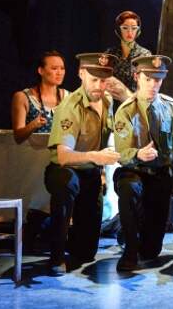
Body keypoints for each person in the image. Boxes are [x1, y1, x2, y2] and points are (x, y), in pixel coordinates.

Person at [44, 53, 121, 275]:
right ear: (81, 74)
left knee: (86, 252)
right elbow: (64, 156)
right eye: (94, 79)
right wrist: (96, 157)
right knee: (66, 184)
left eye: (104, 80)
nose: (99, 86)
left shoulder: (107, 101)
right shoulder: (70, 106)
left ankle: (50, 230)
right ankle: (56, 255)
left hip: (90, 172)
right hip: (65, 170)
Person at [112, 55, 173, 271]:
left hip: (159, 173)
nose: (152, 85)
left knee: (151, 251)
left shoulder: (170, 106)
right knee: (128, 188)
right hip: (135, 170)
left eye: (157, 80)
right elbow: (121, 153)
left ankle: (132, 234)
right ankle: (129, 250)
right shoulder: (126, 110)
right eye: (147, 79)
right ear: (136, 77)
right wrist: (138, 153)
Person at [11, 51, 69, 144]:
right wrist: (33, 125)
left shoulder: (69, 97)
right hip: (32, 152)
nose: (59, 73)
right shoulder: (23, 97)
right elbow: (18, 137)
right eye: (54, 68)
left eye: (62, 68)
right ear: (41, 71)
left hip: (60, 152)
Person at [104, 10, 152, 102]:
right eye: (125, 28)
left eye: (134, 28)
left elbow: (148, 85)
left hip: (134, 103)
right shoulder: (110, 53)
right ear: (118, 30)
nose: (130, 32)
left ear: (138, 30)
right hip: (110, 103)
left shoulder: (144, 55)